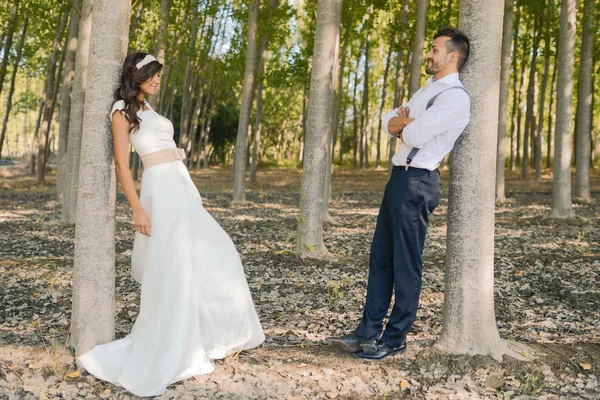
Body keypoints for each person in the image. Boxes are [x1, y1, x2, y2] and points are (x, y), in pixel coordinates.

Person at [77, 52, 265, 396]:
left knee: (220, 250)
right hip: (159, 191)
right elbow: (122, 165)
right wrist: (136, 209)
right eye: (154, 76)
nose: (158, 82)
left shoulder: (147, 109)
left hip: (179, 186)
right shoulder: (121, 111)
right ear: (139, 76)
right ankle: (177, 345)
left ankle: (209, 333)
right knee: (175, 264)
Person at [328, 28, 471, 360]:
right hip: (398, 180)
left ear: (452, 56)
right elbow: (386, 120)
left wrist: (404, 125)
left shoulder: (454, 97)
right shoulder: (427, 90)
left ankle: (395, 339)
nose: (429, 53)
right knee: (380, 260)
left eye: (435, 49)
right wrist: (400, 124)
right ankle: (367, 331)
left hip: (419, 182)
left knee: (406, 264)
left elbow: (416, 133)